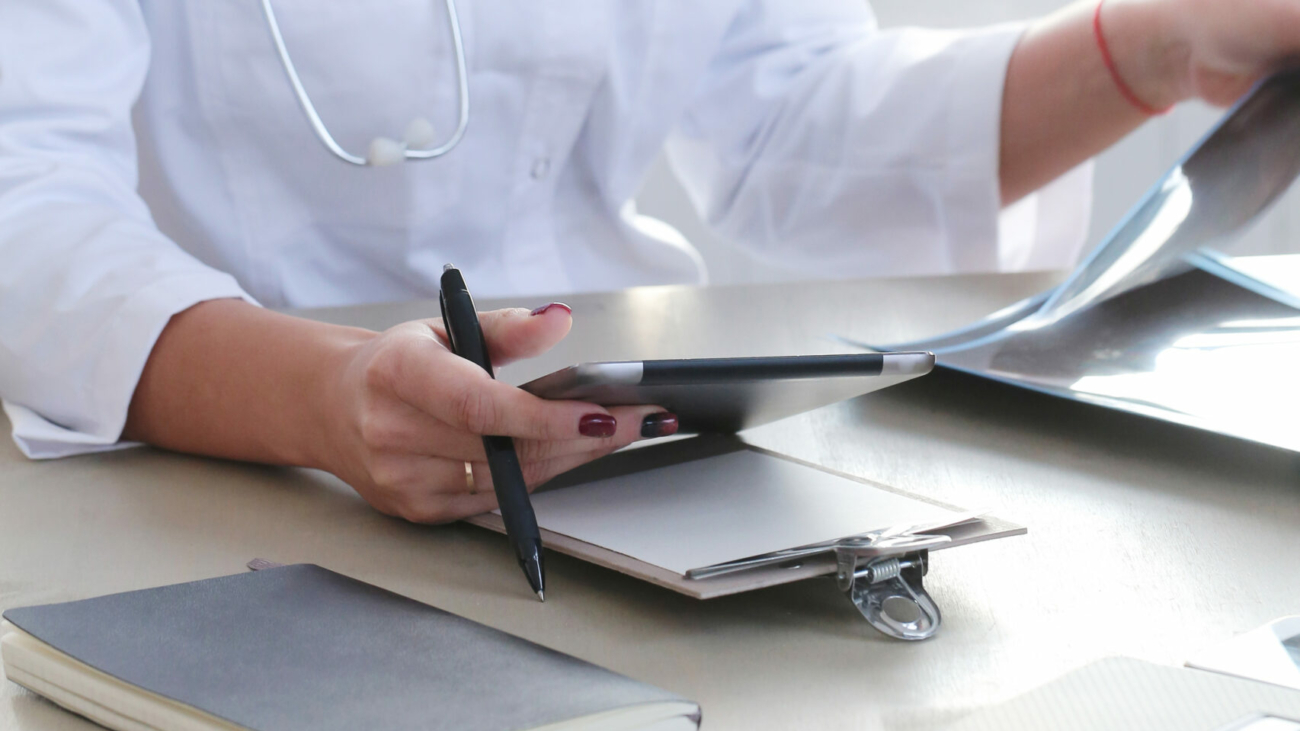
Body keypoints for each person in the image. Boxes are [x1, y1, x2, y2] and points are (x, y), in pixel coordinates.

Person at [0, 0, 1290, 523]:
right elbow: (23, 200)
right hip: (202, 475)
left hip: (629, 452)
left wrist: (1155, 45)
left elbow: (789, 114)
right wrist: (327, 401)